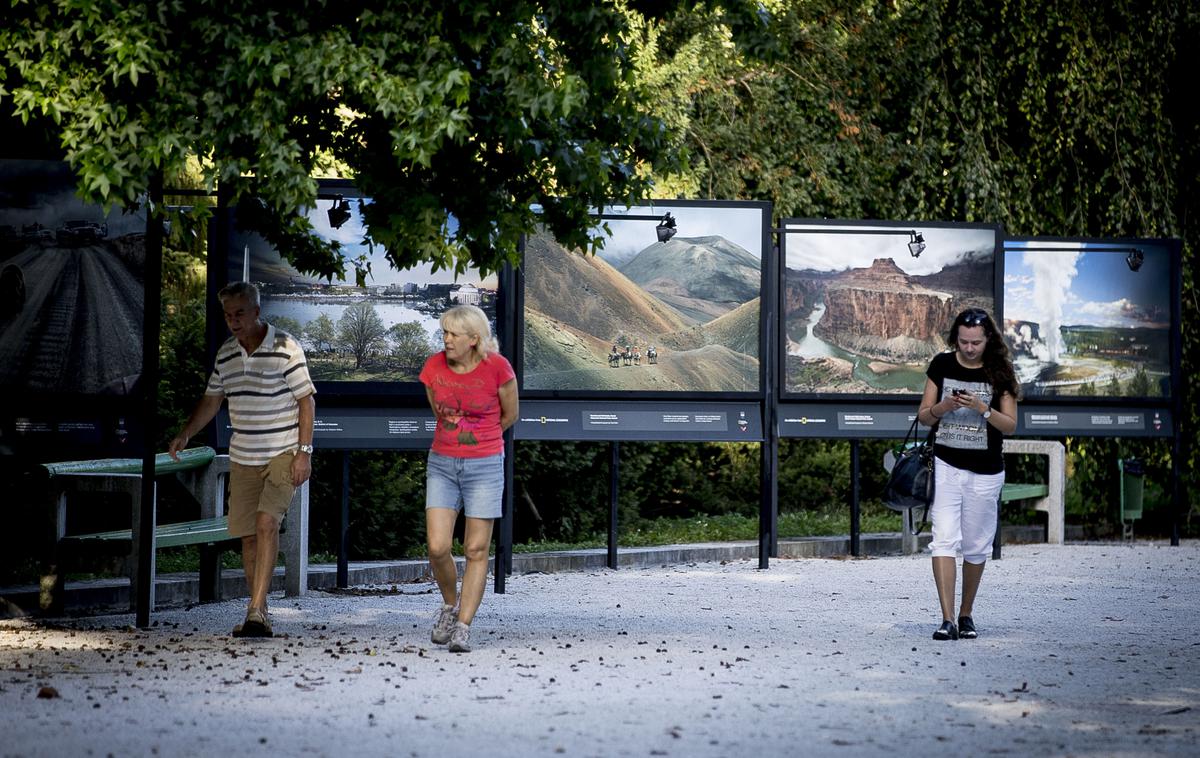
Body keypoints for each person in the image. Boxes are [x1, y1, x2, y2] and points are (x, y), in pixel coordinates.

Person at [169, 282, 315, 638]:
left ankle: (253, 610)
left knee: (267, 524)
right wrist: (187, 432)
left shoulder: (285, 347)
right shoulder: (227, 354)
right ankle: (260, 610)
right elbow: (212, 400)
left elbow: (306, 401)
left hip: (282, 450)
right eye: (227, 315)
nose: (233, 321)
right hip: (243, 456)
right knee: (249, 536)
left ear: (256, 312)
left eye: (239, 314)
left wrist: (304, 452)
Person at [420, 304, 517, 653]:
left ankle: (463, 626)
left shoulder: (498, 368)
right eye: (444, 332)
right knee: (438, 546)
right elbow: (438, 410)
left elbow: (510, 414)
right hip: (443, 462)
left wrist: (480, 441)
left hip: (486, 465)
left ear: (474, 339)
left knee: (476, 549)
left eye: (453, 334)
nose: (445, 339)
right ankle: (450, 605)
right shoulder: (434, 367)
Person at [917, 307, 1018, 641]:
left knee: (976, 546)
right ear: (955, 339)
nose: (969, 348)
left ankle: (966, 614)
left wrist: (981, 408)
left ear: (988, 339)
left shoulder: (1000, 371)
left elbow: (1011, 425)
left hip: (986, 471)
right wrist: (944, 407)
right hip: (946, 464)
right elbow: (924, 418)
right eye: (963, 342)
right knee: (943, 538)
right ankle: (946, 619)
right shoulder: (942, 365)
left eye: (975, 342)